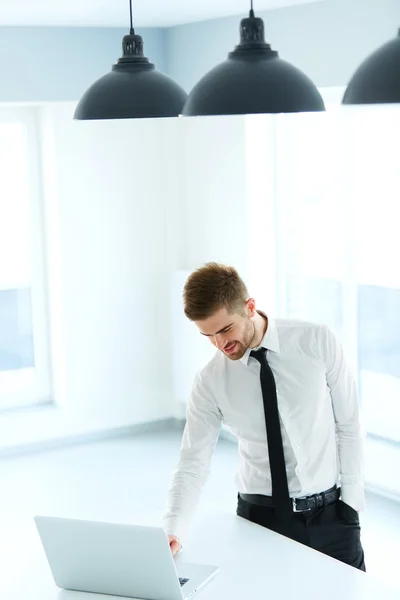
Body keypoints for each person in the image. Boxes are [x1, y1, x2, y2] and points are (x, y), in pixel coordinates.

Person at [163, 262, 366, 571]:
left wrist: (351, 505)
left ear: (250, 307)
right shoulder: (210, 380)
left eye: (225, 329)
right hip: (261, 520)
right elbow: (193, 463)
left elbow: (349, 423)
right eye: (208, 336)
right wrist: (174, 527)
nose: (220, 344)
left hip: (333, 516)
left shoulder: (315, 341)